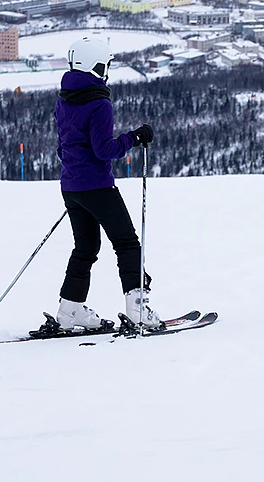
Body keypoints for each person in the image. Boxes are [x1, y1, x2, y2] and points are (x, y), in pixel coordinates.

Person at [53, 36, 161, 330]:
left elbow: (63, 147)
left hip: (71, 187)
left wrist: (77, 176)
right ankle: (138, 309)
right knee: (126, 243)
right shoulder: (99, 103)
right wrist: (135, 138)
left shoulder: (64, 99)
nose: (107, 70)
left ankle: (69, 311)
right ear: (95, 65)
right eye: (106, 64)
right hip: (98, 186)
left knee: (85, 247)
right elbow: (105, 150)